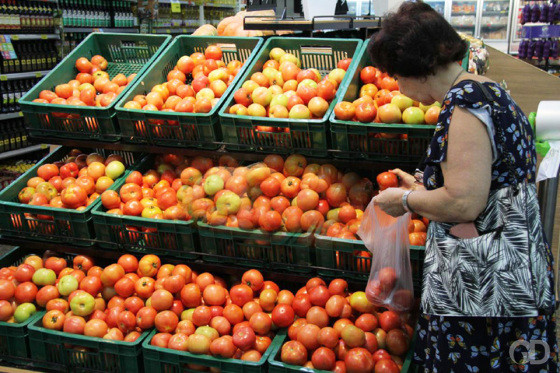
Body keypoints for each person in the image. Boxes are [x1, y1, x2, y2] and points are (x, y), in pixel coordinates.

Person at [368, 2, 558, 371]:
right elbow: (492, 180)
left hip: (486, 291)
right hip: (515, 275)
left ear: (415, 67)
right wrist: (426, 186)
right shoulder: (485, 90)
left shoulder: (465, 103)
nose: (397, 85)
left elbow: (465, 203)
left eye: (396, 74)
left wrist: (406, 200)